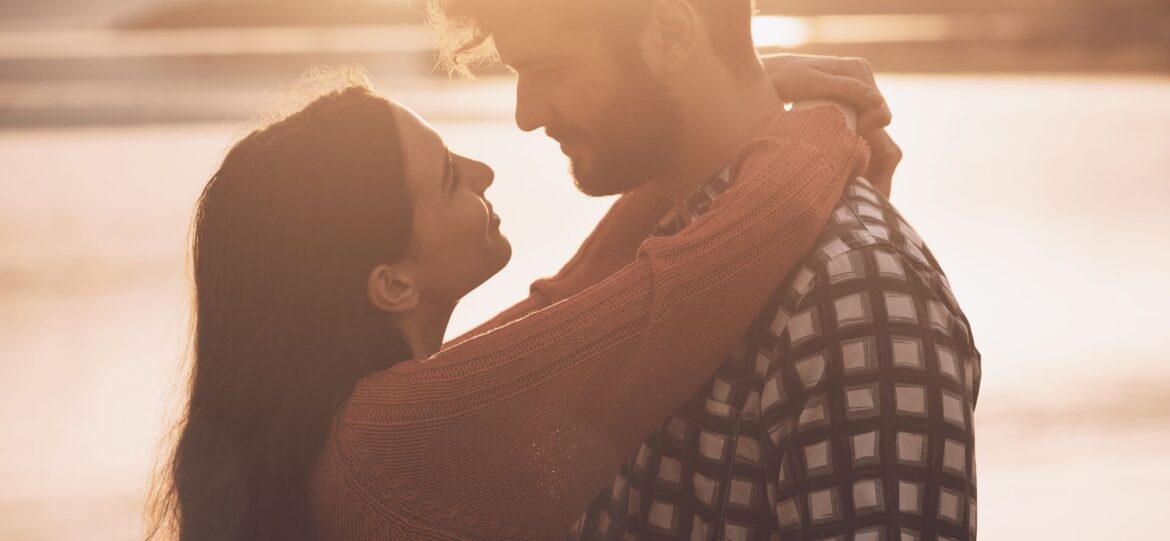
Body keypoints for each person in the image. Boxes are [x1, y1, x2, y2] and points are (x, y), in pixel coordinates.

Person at [428, 0, 979, 539]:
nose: (526, 114)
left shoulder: (855, 296)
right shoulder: (653, 262)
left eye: (551, 69)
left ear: (670, 32)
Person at [149, 68, 880, 541]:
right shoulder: (391, 435)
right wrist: (829, 119)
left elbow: (583, 286)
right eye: (447, 177)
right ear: (392, 284)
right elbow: (694, 281)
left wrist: (728, 106)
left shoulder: (346, 425)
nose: (484, 171)